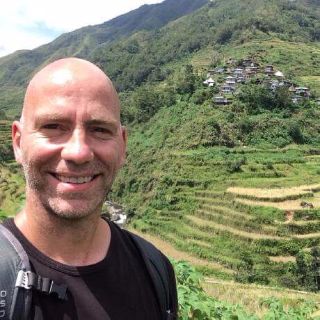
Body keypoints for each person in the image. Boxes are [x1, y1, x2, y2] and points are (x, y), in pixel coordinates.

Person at [2, 57, 177, 319]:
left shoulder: (155, 269)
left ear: (123, 145)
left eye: (99, 129)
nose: (79, 152)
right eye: (53, 126)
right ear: (18, 142)